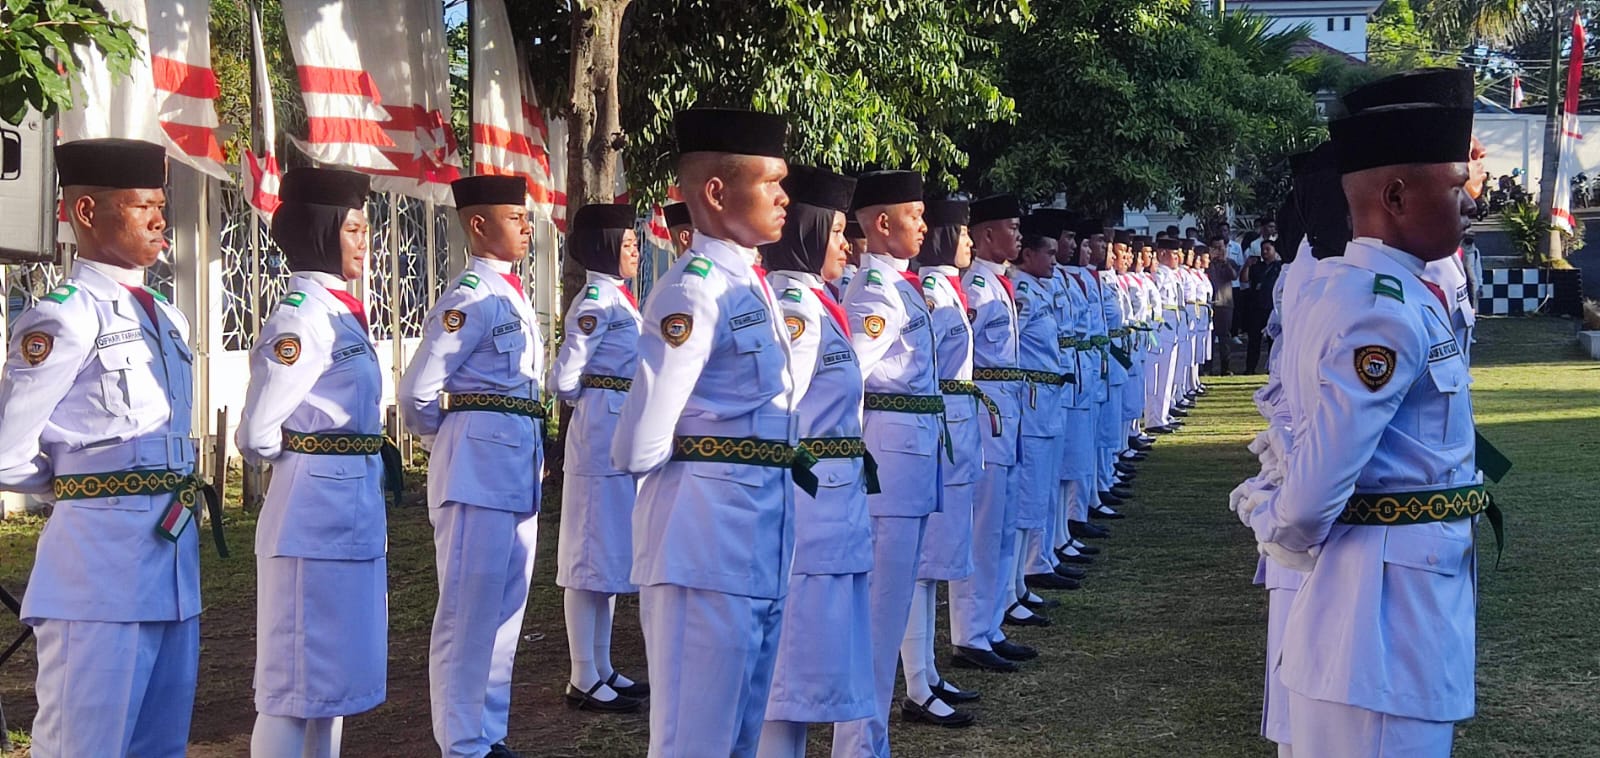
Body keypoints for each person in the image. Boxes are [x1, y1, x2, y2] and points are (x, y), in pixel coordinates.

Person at [1244, 94, 1482, 758]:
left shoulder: (1403, 295)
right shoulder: (1383, 312)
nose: (1468, 201)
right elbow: (1312, 493)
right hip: (1379, 632)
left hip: (1395, 614)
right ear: (1398, 195)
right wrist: (1275, 524)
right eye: (1456, 185)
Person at [0, 138, 216, 757]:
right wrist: (84, 485)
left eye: (160, 203)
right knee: (84, 742)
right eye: (140, 204)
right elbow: (9, 449)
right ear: (86, 213)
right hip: (98, 568)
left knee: (159, 742)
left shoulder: (165, 315)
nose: (158, 218)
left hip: (172, 564)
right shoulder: (63, 317)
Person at [609, 108, 793, 758]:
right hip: (703, 546)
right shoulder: (694, 293)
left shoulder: (751, 286)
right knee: (695, 742)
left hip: (756, 543)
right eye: (769, 181)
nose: (783, 196)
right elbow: (637, 445)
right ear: (715, 193)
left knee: (738, 740)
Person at [237, 167, 388, 757]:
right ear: (324, 231)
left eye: (363, 228)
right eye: (351, 228)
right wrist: (312, 454)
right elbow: (256, 434)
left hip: (348, 513)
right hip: (309, 518)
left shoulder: (341, 310)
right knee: (291, 684)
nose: (363, 240)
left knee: (330, 684)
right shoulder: (302, 316)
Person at [399, 174, 542, 758]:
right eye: (515, 217)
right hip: (476, 473)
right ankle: (460, 741)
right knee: (466, 612)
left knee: (506, 610)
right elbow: (416, 396)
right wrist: (458, 440)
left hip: (514, 473)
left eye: (527, 217)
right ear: (479, 225)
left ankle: (488, 731)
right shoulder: (469, 298)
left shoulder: (511, 294)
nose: (527, 227)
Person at [756, 166, 879, 756]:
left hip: (832, 503)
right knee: (794, 676)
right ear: (806, 234)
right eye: (834, 232)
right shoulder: (795, 312)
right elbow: (780, 414)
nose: (845, 245)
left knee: (814, 669)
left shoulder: (815, 301)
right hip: (811, 510)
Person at [834, 170, 938, 758]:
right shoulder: (876, 290)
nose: (924, 225)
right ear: (880, 224)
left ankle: (870, 740)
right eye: (913, 215)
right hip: (891, 463)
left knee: (893, 605)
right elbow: (848, 376)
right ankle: (860, 745)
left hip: (911, 455)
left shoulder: (900, 285)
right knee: (879, 614)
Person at [547, 203, 648, 714]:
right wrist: (599, 395)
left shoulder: (618, 299)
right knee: (587, 556)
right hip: (597, 434)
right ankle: (582, 674)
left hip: (616, 432)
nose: (634, 248)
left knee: (607, 553)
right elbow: (564, 379)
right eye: (626, 240)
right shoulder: (595, 301)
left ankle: (602, 666)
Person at [902, 198, 982, 728]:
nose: (970, 243)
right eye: (963, 234)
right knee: (921, 566)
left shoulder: (942, 289)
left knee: (933, 563)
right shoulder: (928, 291)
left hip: (948, 423)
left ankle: (926, 671)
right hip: (927, 429)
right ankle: (914, 681)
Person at [951, 195, 1036, 673]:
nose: (1018, 237)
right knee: (983, 527)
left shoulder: (997, 284)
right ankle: (968, 633)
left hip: (1008, 411)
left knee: (1001, 523)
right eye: (1010, 227)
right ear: (985, 235)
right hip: (986, 415)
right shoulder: (978, 288)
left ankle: (990, 623)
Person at [1244, 241, 1283, 374]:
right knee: (1254, 340)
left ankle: (1273, 368)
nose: (1265, 252)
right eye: (1263, 249)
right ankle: (1250, 368)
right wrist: (1247, 265)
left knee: (1273, 340)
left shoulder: (1280, 267)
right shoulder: (1256, 266)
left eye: (1268, 249)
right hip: (1256, 307)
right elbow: (1244, 279)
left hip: (1272, 308)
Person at [1207, 237, 1239, 375]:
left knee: (1224, 337)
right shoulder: (1207, 264)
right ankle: (1207, 368)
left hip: (1225, 304)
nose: (1219, 251)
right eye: (1215, 248)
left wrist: (1225, 261)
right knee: (1209, 337)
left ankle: (1225, 367)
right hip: (1210, 304)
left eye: (1221, 248)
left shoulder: (1230, 262)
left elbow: (1233, 276)